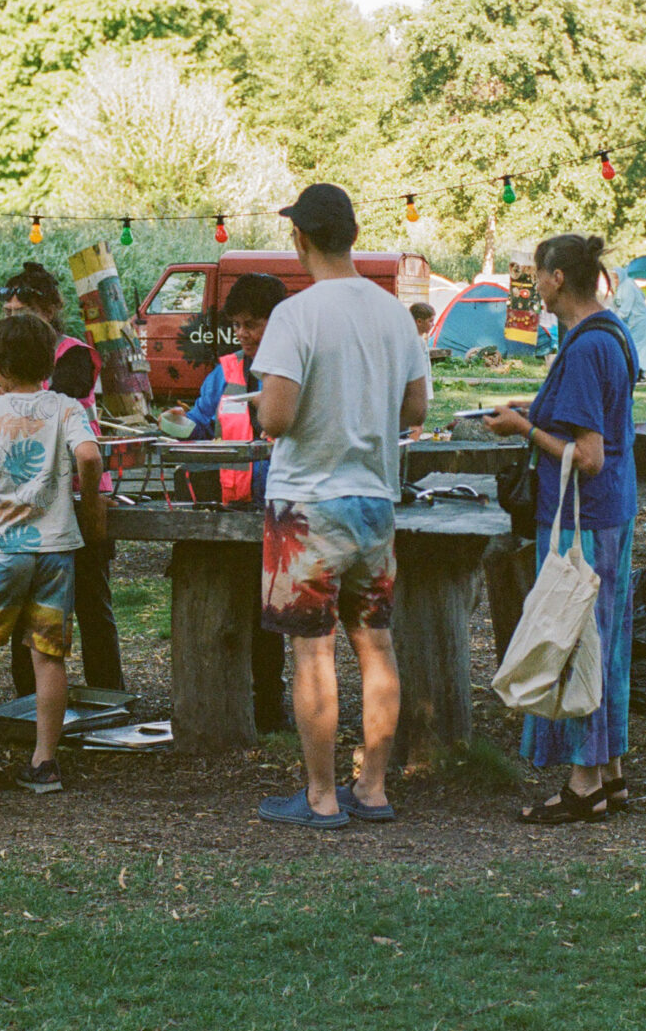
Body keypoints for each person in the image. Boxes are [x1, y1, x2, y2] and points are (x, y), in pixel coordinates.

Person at [252, 183, 429, 828]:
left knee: (313, 651)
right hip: (375, 500)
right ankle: (374, 789)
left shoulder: (295, 315)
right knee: (376, 645)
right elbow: (415, 410)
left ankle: (322, 796)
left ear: (299, 238)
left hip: (307, 504)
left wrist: (258, 404)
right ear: (352, 234)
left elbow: (275, 417)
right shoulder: (392, 313)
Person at [488, 235, 639, 824]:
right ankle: (611, 773)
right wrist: (534, 408)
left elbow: (589, 454)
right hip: (613, 512)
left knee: (579, 642)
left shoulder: (583, 348)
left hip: (585, 515)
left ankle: (583, 785)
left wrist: (522, 429)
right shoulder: (612, 330)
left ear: (555, 279)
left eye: (535, 275)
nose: (531, 285)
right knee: (610, 639)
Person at [0, 261, 121, 697]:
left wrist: (3, 399)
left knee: (91, 600)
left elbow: (56, 396)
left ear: (50, 310)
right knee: (31, 620)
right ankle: (30, 701)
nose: (14, 319)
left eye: (23, 310)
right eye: (8, 311)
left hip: (71, 499)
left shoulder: (74, 354)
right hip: (23, 504)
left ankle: (108, 691)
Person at [0, 312, 108, 795]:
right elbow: (89, 456)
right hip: (56, 550)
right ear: (49, 361)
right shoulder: (66, 408)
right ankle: (45, 760)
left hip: (3, 548)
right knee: (49, 654)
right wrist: (89, 508)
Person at [171, 272, 291, 733]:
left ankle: (270, 703)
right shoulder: (225, 372)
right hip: (233, 507)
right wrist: (179, 422)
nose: (242, 334)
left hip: (279, 506)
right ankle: (227, 702)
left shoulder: (295, 369)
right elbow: (202, 426)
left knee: (272, 616)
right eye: (237, 325)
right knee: (230, 608)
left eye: (252, 324)